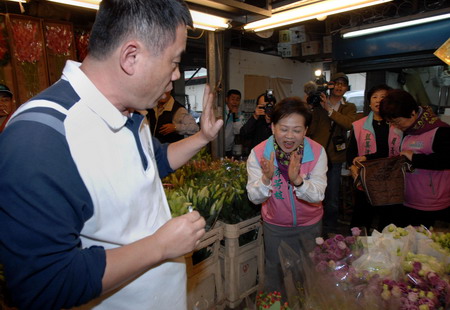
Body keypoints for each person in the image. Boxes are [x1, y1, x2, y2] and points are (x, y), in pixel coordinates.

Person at [0, 1, 223, 309]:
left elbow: (152, 164)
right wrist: (160, 246)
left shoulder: (131, 111)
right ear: (131, 57)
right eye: (173, 62)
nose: (175, 75)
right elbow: (45, 284)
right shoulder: (42, 136)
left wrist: (203, 137)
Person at [246, 97, 327, 295]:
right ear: (273, 127)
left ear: (306, 130)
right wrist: (266, 179)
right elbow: (254, 198)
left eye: (297, 130)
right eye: (283, 129)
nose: (289, 136)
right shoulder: (258, 154)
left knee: (308, 275)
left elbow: (318, 195)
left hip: (310, 225)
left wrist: (298, 180)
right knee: (275, 276)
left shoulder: (317, 152)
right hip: (276, 227)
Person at [379, 89, 450, 228]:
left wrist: (415, 158)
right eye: (391, 122)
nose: (394, 126)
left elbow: (446, 160)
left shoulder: (440, 131)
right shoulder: (409, 131)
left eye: (397, 121)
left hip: (432, 203)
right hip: (408, 198)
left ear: (412, 112)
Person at [346, 84, 403, 233]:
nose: (378, 101)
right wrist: (352, 166)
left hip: (391, 178)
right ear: (369, 103)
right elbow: (351, 152)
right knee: (361, 217)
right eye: (374, 97)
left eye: (383, 97)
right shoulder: (359, 125)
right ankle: (357, 250)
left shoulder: (398, 124)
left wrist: (367, 156)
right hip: (367, 178)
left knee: (389, 219)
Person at [307, 72, 357, 235]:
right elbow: (312, 128)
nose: (339, 87)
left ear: (346, 88)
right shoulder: (320, 103)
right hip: (316, 156)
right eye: (336, 83)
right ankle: (315, 224)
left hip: (335, 157)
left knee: (333, 196)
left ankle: (330, 227)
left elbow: (348, 124)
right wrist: (312, 108)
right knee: (314, 191)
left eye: (343, 84)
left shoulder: (349, 107)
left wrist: (329, 110)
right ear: (330, 85)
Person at [224, 89, 244, 157]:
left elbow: (239, 131)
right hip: (217, 147)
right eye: (232, 99)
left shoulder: (240, 115)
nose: (235, 102)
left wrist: (235, 117)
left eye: (237, 100)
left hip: (229, 149)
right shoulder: (221, 112)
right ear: (227, 99)